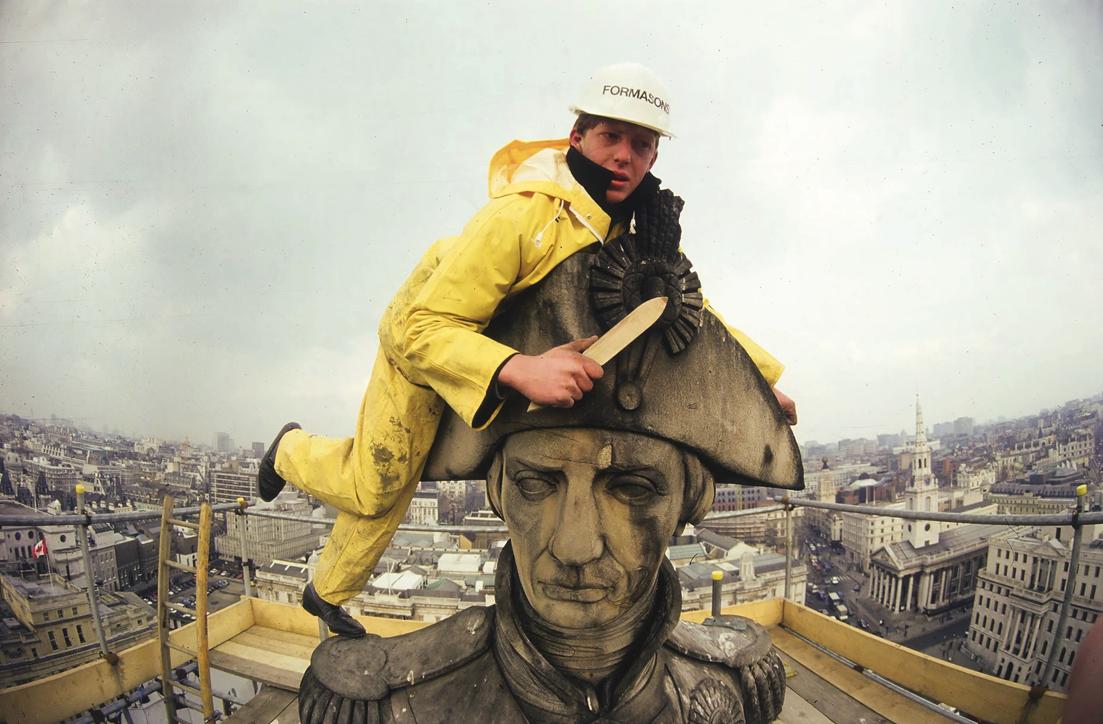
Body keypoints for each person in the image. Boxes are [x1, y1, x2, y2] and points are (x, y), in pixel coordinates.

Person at [259, 62, 797, 637]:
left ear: (654, 159)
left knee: (397, 478)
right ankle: (287, 451)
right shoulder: (523, 216)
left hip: (492, 351)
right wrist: (520, 369)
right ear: (577, 138)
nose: (624, 156)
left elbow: (680, 305)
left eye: (641, 144)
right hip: (430, 339)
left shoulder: (626, 231)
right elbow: (423, 327)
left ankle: (324, 593)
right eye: (610, 136)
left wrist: (757, 381)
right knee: (382, 481)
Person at [296, 242, 803, 722]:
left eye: (631, 489)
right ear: (496, 491)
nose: (574, 548)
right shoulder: (375, 707)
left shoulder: (739, 681)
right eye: (537, 485)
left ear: (693, 501)